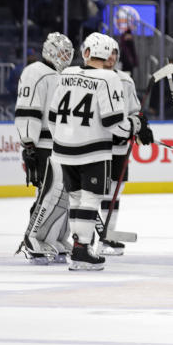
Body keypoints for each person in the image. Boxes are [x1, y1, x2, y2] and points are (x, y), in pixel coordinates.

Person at [49, 32, 144, 270]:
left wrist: (64, 136)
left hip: (63, 148)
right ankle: (82, 249)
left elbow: (52, 117)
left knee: (75, 198)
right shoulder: (108, 78)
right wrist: (136, 125)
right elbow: (116, 123)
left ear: (87, 52)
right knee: (90, 199)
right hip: (94, 150)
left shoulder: (67, 73)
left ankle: (79, 247)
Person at [14, 33, 74, 263]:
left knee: (63, 195)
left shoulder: (60, 75)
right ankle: (32, 238)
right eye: (60, 51)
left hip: (60, 143)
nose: (64, 56)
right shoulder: (35, 72)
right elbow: (28, 109)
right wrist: (29, 143)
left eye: (67, 52)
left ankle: (54, 237)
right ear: (48, 50)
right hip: (43, 144)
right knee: (49, 193)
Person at [100, 36, 152, 256]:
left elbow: (134, 111)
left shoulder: (126, 80)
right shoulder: (92, 78)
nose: (111, 57)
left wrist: (141, 126)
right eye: (107, 53)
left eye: (114, 53)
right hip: (96, 146)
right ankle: (84, 238)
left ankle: (107, 238)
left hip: (119, 147)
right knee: (93, 195)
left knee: (113, 195)